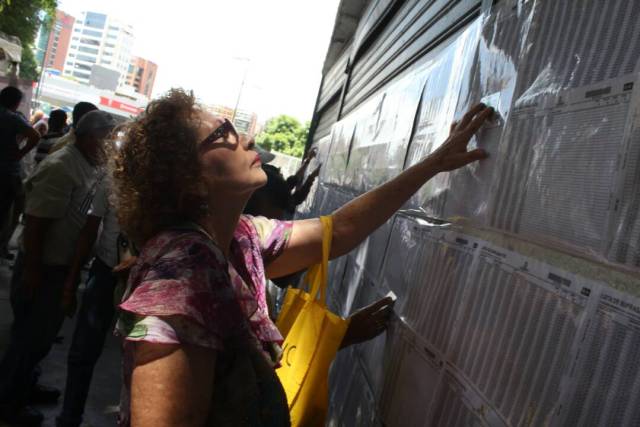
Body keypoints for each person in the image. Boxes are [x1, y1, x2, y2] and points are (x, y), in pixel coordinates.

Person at [112, 89, 492, 426]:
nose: (246, 137)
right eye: (223, 133)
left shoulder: (241, 239)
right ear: (189, 178)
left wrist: (434, 163)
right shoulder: (180, 273)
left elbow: (337, 231)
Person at [0, 110, 115, 426]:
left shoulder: (85, 163)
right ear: (93, 138)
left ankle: (24, 386)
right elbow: (36, 224)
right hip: (44, 266)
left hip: (57, 266)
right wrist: (34, 271)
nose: (112, 145)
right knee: (30, 339)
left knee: (40, 337)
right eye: (110, 138)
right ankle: (9, 402)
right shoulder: (63, 165)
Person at [245, 162, 393, 345]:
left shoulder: (234, 265)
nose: (277, 230)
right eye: (269, 224)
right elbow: (338, 232)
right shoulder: (223, 280)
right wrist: (341, 336)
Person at [57, 176, 120, 427]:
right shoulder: (113, 178)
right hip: (106, 272)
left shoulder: (174, 182)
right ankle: (69, 417)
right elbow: (90, 229)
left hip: (144, 277)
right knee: (84, 349)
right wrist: (71, 283)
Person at [0, 87, 40, 238]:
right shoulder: (12, 118)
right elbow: (35, 136)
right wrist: (20, 153)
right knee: (5, 208)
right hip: (6, 171)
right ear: (16, 103)